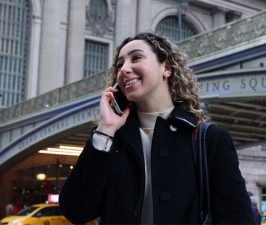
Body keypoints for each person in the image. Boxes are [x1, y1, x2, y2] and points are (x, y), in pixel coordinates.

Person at [59, 32, 255, 225]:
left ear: (166, 67)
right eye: (120, 65)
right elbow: (76, 210)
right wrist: (106, 129)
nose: (124, 69)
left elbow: (237, 218)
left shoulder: (209, 139)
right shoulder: (110, 140)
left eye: (136, 58)